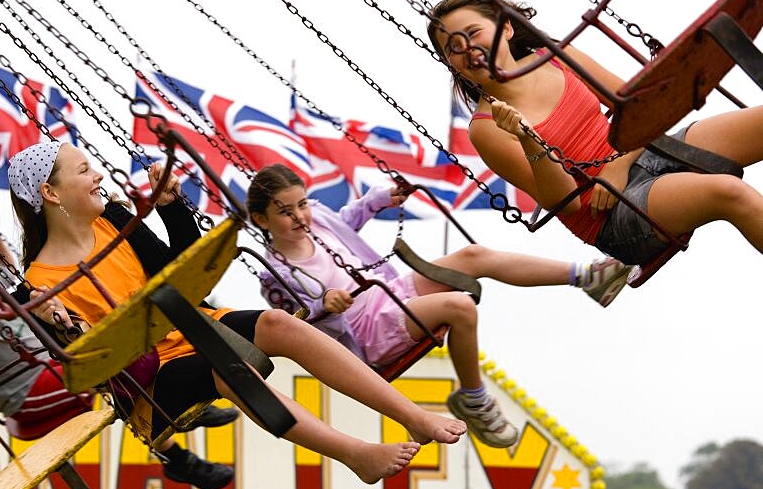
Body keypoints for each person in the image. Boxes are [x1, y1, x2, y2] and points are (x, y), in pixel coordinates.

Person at [7, 141, 473, 484]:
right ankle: (356, 454)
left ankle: (410, 414)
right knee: (228, 370)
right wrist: (70, 329)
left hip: (194, 325)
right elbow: (90, 370)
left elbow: (182, 279)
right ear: (50, 193)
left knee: (277, 323)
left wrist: (171, 209)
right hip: (150, 384)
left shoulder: (113, 220)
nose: (99, 177)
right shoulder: (38, 285)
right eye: (85, 170)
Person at [246, 164, 629, 447]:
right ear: (262, 219)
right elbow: (296, 320)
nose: (300, 216)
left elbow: (346, 221)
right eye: (285, 211)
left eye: (301, 204)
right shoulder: (273, 271)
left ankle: (589, 278)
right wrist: (324, 305)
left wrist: (377, 200)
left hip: (387, 291)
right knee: (459, 307)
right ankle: (474, 400)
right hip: (366, 335)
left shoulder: (318, 218)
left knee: (473, 256)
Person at [426, 0, 763, 267]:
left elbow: (637, 108)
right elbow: (564, 203)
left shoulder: (555, 56)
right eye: (452, 48)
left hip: (638, 152)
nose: (466, 48)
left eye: (473, 33)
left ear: (507, 28)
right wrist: (530, 140)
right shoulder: (487, 129)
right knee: (727, 192)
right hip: (611, 215)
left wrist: (617, 165)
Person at [0, 207, 239, 489]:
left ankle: (177, 447)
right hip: (25, 392)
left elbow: (10, 276)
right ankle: (175, 429)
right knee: (110, 362)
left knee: (114, 353)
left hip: (50, 370)